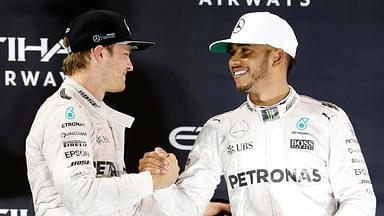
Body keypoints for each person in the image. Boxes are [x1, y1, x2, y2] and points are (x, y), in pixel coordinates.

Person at [139, 12, 376, 215]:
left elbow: (359, 199)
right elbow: (186, 208)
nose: (234, 61)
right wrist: (163, 186)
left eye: (245, 51)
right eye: (232, 52)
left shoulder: (327, 118)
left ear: (277, 57)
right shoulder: (219, 127)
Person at [25, 9, 180, 216]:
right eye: (125, 54)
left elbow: (123, 209)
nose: (130, 65)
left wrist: (163, 183)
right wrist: (151, 181)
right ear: (99, 53)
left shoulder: (97, 114)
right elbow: (82, 198)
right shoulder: (66, 112)